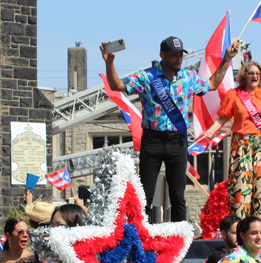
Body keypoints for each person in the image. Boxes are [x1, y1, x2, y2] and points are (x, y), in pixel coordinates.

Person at [100, 36, 239, 222]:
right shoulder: (147, 77)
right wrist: (110, 64)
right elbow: (116, 85)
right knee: (145, 196)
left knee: (178, 196)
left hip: (177, 142)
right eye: (174, 55)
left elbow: (212, 84)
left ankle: (179, 241)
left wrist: (227, 59)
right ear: (162, 55)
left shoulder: (189, 78)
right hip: (152, 141)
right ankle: (141, 239)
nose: (178, 59)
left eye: (181, 55)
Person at [204, 61, 261, 227]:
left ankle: (259, 232)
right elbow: (223, 117)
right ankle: (239, 231)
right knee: (241, 189)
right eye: (250, 73)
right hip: (241, 146)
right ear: (244, 76)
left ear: (260, 76)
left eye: (257, 73)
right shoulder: (234, 94)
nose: (254, 76)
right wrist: (212, 130)